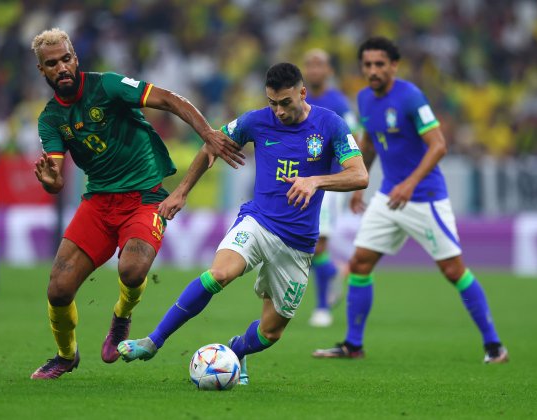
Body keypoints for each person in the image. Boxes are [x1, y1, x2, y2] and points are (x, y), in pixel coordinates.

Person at [117, 63, 368, 384]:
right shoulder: (255, 121)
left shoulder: (330, 124)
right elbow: (211, 147)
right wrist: (181, 192)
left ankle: (237, 349)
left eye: (285, 103)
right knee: (219, 274)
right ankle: (152, 342)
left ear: (302, 93)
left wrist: (315, 181)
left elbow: (360, 175)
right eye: (272, 103)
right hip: (258, 221)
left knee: (270, 333)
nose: (278, 111)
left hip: (299, 242)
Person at [29, 28, 244, 379]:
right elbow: (55, 174)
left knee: (131, 269)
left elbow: (171, 100)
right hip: (98, 201)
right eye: (52, 63)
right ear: (42, 70)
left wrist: (207, 134)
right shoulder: (50, 119)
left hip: (144, 197)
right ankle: (66, 356)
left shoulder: (108, 86)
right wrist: (52, 182)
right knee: (58, 289)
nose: (62, 67)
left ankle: (121, 317)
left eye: (66, 59)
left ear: (75, 58)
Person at [312, 36, 508, 363]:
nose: (373, 70)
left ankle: (494, 346)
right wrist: (361, 184)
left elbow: (439, 145)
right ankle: (353, 345)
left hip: (425, 198)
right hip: (389, 196)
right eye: (367, 65)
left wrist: (410, 183)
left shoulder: (411, 97)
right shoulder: (364, 98)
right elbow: (369, 143)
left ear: (393, 66)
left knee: (452, 269)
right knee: (360, 263)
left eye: (379, 64)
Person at [303, 48, 357, 327]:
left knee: (317, 246)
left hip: (329, 182)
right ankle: (334, 274)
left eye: (319, 64)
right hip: (300, 181)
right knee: (306, 246)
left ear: (329, 71)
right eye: (309, 65)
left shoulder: (339, 102)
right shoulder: (298, 99)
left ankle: (322, 308)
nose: (313, 70)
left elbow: (354, 138)